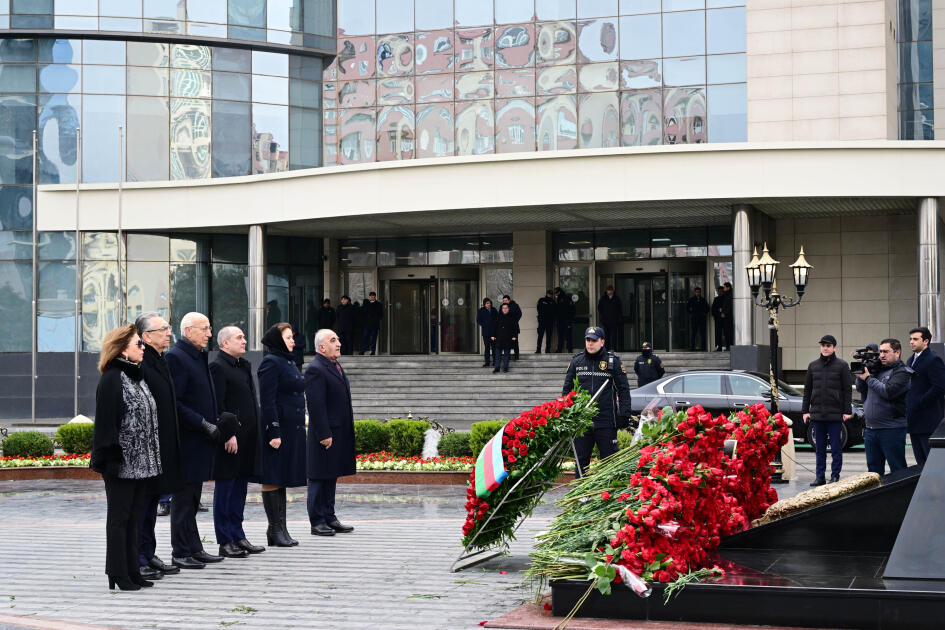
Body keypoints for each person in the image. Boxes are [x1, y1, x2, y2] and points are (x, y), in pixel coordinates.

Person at [91, 324, 162, 591]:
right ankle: (118, 573)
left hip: (142, 463)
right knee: (119, 519)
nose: (143, 348)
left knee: (135, 517)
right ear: (122, 349)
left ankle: (133, 570)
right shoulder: (112, 378)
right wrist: (110, 460)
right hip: (120, 464)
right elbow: (106, 424)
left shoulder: (136, 376)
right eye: (138, 344)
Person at [165, 312, 230, 569]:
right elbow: (175, 402)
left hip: (201, 440)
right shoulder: (176, 357)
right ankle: (180, 551)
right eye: (204, 329)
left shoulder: (197, 356)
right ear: (188, 330)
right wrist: (202, 423)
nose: (209, 334)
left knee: (193, 498)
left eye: (209, 328)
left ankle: (194, 547)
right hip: (188, 439)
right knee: (183, 500)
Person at [134, 313, 182, 581]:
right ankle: (139, 556)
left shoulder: (160, 360)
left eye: (168, 328)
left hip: (163, 444)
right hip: (148, 447)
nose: (167, 333)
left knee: (153, 502)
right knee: (144, 502)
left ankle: (148, 552)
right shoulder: (143, 363)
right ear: (146, 336)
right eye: (162, 329)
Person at [209, 326, 265, 558]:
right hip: (231, 439)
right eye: (239, 338)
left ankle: (238, 534)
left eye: (244, 336)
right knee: (226, 489)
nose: (244, 341)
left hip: (248, 438)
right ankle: (225, 540)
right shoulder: (218, 367)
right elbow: (218, 406)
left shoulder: (244, 365)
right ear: (224, 343)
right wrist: (228, 433)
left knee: (240, 489)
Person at [257, 323, 307, 546]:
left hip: (291, 428)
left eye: (292, 337)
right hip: (278, 428)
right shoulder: (271, 362)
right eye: (288, 337)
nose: (293, 341)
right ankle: (274, 530)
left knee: (282, 476)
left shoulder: (288, 360)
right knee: (272, 476)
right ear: (278, 340)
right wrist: (273, 429)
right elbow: (267, 400)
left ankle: (282, 529)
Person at [304, 329, 357, 536]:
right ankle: (317, 521)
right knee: (319, 476)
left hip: (338, 431)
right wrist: (324, 433)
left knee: (331, 474)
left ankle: (329, 516)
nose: (339, 343)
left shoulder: (333, 365)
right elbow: (316, 405)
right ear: (321, 347)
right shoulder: (316, 368)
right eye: (333, 340)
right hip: (324, 433)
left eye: (338, 339)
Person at [562, 327, 632, 476]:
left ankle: (607, 497)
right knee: (581, 462)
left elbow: (624, 389)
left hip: (606, 422)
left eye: (594, 340)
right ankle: (580, 497)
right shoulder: (577, 361)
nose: (590, 343)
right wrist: (566, 414)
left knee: (609, 462)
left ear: (602, 341)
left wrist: (624, 414)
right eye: (588, 340)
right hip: (582, 423)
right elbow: (567, 391)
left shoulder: (612, 362)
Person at [802, 334, 853, 486]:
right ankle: (820, 477)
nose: (825, 348)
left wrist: (847, 411)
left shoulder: (842, 365)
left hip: (835, 414)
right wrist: (805, 411)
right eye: (823, 345)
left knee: (836, 448)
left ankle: (835, 476)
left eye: (828, 345)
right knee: (819, 449)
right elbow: (807, 390)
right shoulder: (813, 365)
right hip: (817, 414)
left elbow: (847, 390)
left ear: (834, 348)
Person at [855, 339, 910, 476]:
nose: (882, 355)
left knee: (898, 469)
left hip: (892, 429)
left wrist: (868, 378)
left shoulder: (902, 372)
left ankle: (901, 497)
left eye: (886, 351)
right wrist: (862, 373)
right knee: (873, 473)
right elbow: (861, 388)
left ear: (897, 353)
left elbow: (888, 392)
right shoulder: (876, 370)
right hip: (871, 430)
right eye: (880, 352)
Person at [905, 326, 945, 467]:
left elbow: (939, 387)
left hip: (928, 420)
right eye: (910, 339)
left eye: (915, 339)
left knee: (932, 464)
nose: (911, 342)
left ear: (926, 341)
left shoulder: (933, 360)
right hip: (914, 420)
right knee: (920, 463)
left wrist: (920, 402)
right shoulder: (910, 360)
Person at [492, 302, 519, 373]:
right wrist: (493, 335)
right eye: (503, 308)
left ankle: (505, 368)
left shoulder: (512, 317)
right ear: (501, 309)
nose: (504, 309)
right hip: (499, 339)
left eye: (506, 308)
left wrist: (514, 336)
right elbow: (494, 327)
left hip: (508, 339)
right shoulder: (498, 316)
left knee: (507, 354)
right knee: (497, 354)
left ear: (508, 309)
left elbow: (515, 328)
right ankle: (497, 368)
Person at [597, 286, 622, 352]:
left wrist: (618, 318)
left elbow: (619, 309)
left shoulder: (616, 298)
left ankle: (613, 348)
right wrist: (603, 315)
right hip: (606, 320)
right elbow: (599, 308)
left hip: (614, 320)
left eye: (611, 290)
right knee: (606, 335)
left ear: (613, 291)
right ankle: (606, 348)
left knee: (614, 335)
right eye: (609, 290)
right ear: (606, 291)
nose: (610, 292)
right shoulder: (603, 298)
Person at [476, 298, 498, 367]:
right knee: (487, 347)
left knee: (494, 347)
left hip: (494, 332)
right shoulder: (481, 310)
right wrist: (484, 324)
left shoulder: (494, 310)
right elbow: (478, 320)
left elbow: (497, 319)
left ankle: (495, 362)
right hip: (486, 332)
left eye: (489, 303)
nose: (489, 304)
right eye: (487, 303)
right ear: (484, 304)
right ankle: (487, 362)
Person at [501, 295, 522, 360]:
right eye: (503, 300)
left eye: (506, 300)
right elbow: (500, 315)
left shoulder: (515, 305)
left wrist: (514, 321)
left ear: (509, 300)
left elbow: (519, 314)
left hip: (514, 327)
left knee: (515, 342)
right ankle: (507, 356)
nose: (505, 301)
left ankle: (516, 356)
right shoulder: (502, 307)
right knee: (505, 342)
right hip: (504, 328)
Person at [554, 287, 574, 354]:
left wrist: (570, 318)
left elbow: (572, 309)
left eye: (556, 292)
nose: (556, 294)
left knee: (567, 336)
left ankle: (569, 350)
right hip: (560, 320)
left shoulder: (566, 298)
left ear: (559, 292)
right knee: (561, 336)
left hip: (566, 320)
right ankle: (560, 349)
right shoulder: (558, 299)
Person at [536, 289, 556, 354]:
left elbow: (554, 311)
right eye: (549, 294)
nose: (550, 295)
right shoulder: (541, 300)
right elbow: (539, 309)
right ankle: (538, 349)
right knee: (540, 335)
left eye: (551, 294)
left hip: (549, 321)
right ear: (547, 294)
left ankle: (547, 350)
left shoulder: (553, 302)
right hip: (542, 321)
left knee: (549, 336)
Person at [711, 286, 725, 351]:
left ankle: (727, 346)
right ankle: (719, 346)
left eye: (721, 291)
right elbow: (713, 309)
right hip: (718, 319)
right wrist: (717, 314)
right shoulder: (716, 299)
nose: (720, 292)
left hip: (725, 319)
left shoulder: (726, 299)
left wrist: (723, 312)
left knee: (726, 333)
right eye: (719, 291)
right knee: (718, 333)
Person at [722, 282, 734, 350]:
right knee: (727, 331)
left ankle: (729, 346)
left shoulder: (729, 295)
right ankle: (728, 345)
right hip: (727, 315)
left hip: (728, 316)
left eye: (724, 287)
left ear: (728, 287)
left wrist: (724, 312)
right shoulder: (727, 294)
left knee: (728, 331)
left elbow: (729, 306)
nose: (723, 289)